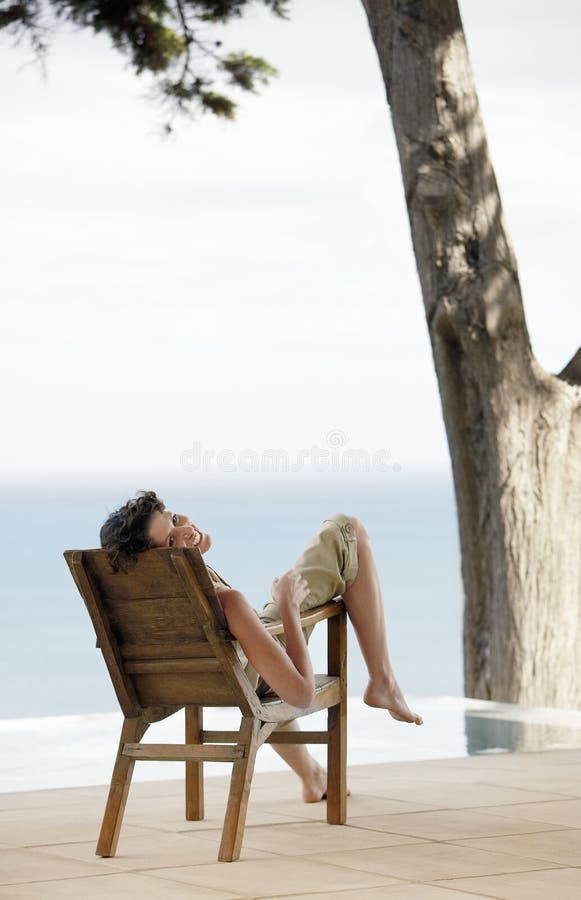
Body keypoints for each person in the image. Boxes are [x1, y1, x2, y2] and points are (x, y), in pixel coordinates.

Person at [100, 491, 423, 803]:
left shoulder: (144, 604)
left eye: (174, 518)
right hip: (247, 672)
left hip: (207, 676)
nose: (185, 529)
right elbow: (299, 694)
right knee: (346, 529)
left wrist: (186, 549)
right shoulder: (227, 603)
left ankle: (313, 776)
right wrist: (289, 608)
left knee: (262, 658)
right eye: (171, 539)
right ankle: (383, 681)